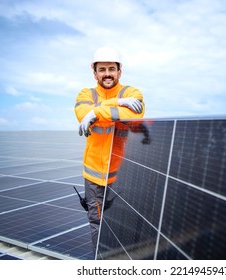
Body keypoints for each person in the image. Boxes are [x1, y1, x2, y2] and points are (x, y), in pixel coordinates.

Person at [74, 47, 145, 254]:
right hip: (94, 176)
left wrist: (99, 110)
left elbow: (135, 114)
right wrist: (117, 105)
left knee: (125, 225)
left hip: (122, 176)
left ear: (119, 71)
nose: (107, 73)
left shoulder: (131, 93)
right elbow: (83, 113)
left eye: (111, 69)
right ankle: (101, 264)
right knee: (97, 223)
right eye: (102, 69)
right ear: (94, 72)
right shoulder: (85, 94)